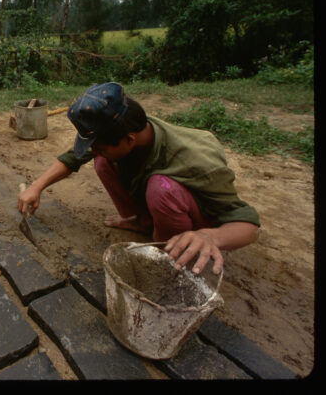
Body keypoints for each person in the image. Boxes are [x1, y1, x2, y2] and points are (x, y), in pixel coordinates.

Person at [17, 82, 259, 275]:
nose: (94, 151)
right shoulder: (124, 127)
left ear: (129, 138)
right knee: (103, 161)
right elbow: (73, 158)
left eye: (99, 146)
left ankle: (169, 253)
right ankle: (144, 223)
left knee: (161, 189)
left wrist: (208, 236)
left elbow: (247, 225)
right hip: (162, 195)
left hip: (197, 217)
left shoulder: (197, 161)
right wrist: (36, 186)